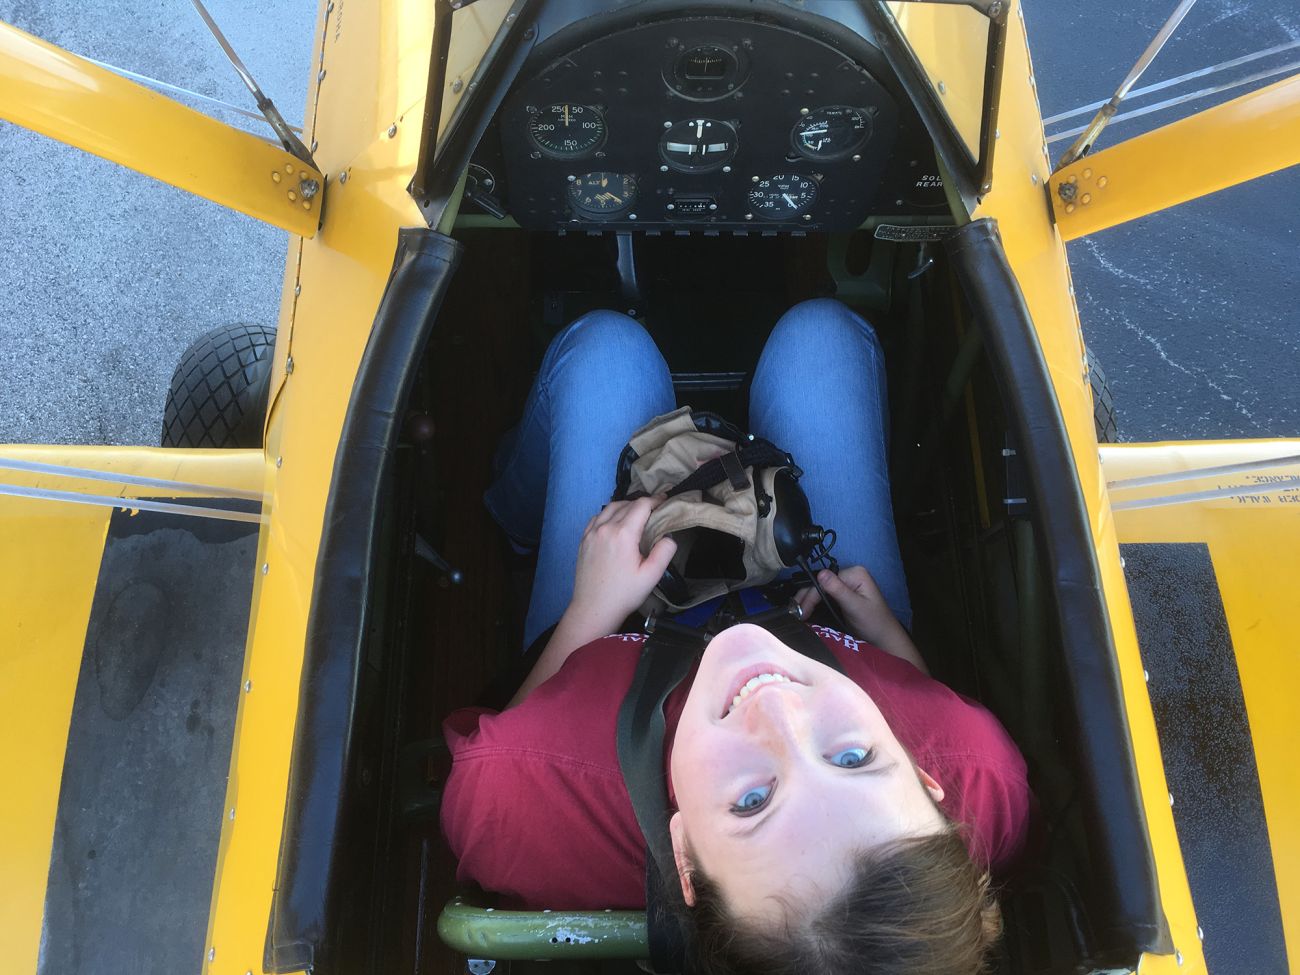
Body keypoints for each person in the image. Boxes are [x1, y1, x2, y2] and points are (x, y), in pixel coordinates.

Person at [441, 300, 1031, 974]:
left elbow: (487, 766)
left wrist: (587, 612)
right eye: (855, 758)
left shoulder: (523, 792)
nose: (775, 702)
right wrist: (890, 641)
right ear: (932, 787)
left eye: (752, 801)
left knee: (609, 352)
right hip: (833, 620)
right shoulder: (982, 774)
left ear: (684, 859)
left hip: (607, 630)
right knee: (821, 338)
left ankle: (517, 521)